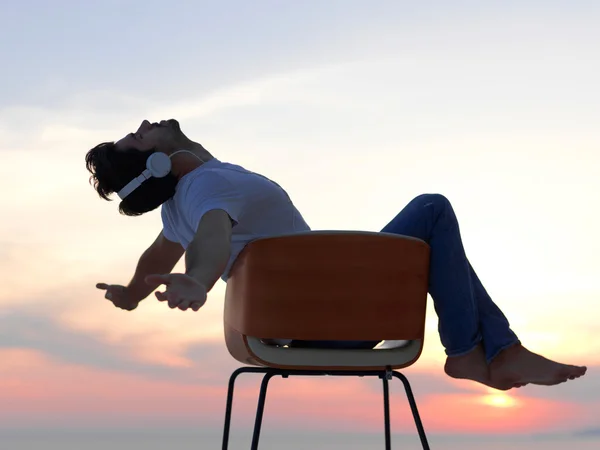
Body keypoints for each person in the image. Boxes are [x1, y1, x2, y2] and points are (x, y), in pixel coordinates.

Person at [86, 118, 587, 391]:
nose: (148, 123)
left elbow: (157, 257)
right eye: (139, 135)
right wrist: (198, 279)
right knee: (432, 211)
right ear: (154, 161)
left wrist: (132, 295)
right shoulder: (207, 188)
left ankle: (491, 353)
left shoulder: (182, 201)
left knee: (431, 226)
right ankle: (478, 352)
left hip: (298, 330)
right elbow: (212, 236)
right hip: (340, 324)